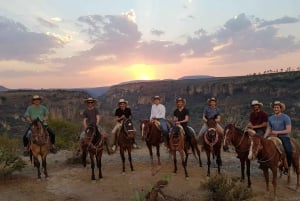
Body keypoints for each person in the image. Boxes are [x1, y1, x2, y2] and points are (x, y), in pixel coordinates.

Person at [264, 101, 292, 175]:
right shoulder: (271, 118)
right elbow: (269, 129)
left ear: (281, 108)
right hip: (272, 136)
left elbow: (288, 130)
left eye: (277, 107)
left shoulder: (286, 117)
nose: (276, 109)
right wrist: (264, 137)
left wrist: (277, 132)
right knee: (263, 148)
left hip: (284, 137)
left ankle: (287, 167)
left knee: (288, 151)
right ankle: (264, 163)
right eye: (274, 107)